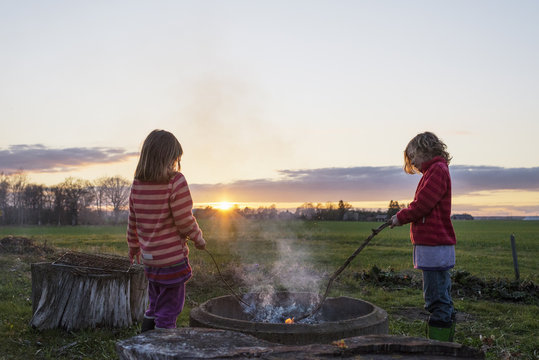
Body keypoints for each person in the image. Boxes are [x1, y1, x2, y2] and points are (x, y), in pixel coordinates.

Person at [127, 129, 206, 332]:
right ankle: (162, 348)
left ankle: (144, 342)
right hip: (172, 261)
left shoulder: (137, 185)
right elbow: (184, 219)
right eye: (175, 159)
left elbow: (133, 220)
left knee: (154, 305)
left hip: (150, 260)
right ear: (168, 158)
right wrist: (198, 237)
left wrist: (133, 246)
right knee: (170, 309)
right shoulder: (175, 181)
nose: (175, 163)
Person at [390, 131, 457, 342]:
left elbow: (423, 204)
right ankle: (444, 339)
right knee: (440, 296)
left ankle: (439, 346)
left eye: (414, 156)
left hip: (434, 245)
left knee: (436, 300)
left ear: (425, 149)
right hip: (433, 246)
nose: (413, 163)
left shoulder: (437, 170)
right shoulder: (434, 171)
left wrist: (401, 218)